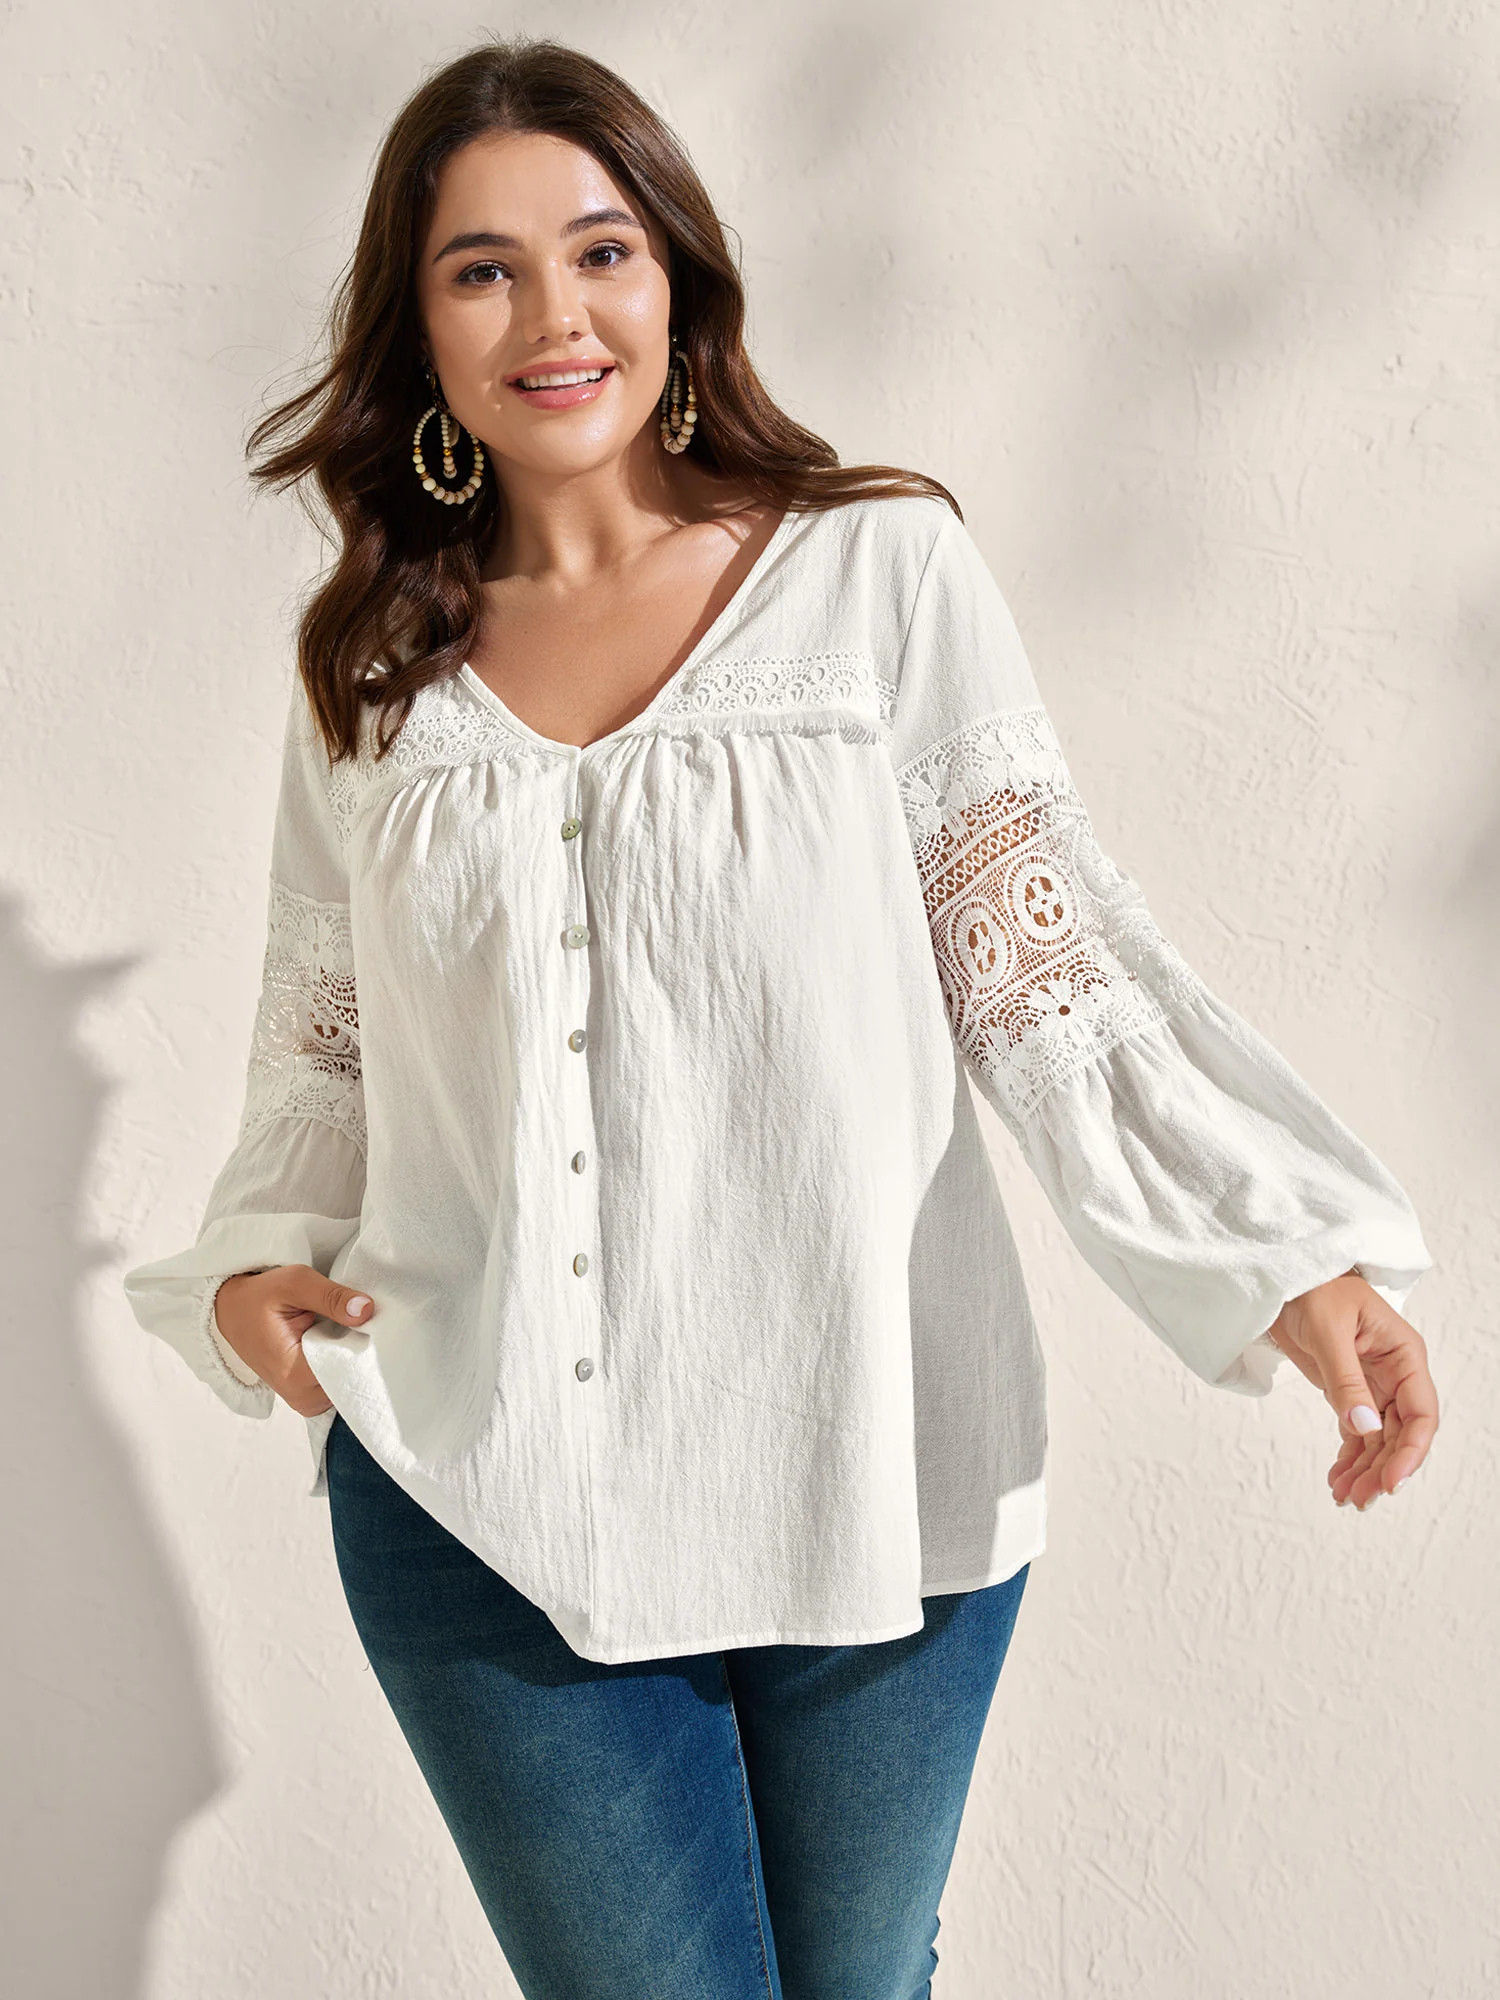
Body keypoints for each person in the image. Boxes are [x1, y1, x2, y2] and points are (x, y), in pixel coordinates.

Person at [120, 34, 1438, 2000]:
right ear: (417, 323)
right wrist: (253, 1266)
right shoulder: (375, 674)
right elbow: (328, 1048)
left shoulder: (875, 577)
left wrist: (1283, 1259)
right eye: (483, 270)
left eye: (601, 252)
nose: (554, 316)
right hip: (488, 1493)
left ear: (679, 280)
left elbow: (1043, 970)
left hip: (871, 1466)